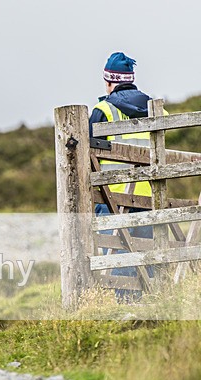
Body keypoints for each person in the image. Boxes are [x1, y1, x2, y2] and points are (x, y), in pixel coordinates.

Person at [90, 51, 153, 300]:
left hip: (112, 195)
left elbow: (88, 153)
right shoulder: (154, 108)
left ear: (108, 81)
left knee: (118, 251)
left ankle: (125, 304)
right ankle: (153, 303)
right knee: (148, 252)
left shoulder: (102, 110)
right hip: (149, 193)